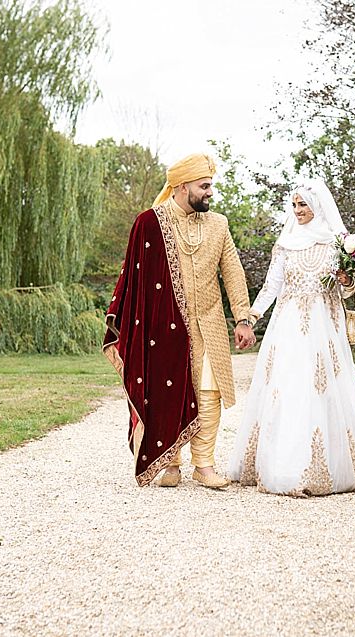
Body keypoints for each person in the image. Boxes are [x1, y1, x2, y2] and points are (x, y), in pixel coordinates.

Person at [102, 153, 257, 488]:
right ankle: (170, 463)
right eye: (204, 186)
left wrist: (243, 318)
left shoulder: (219, 224)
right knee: (164, 393)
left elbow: (233, 272)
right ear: (182, 186)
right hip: (164, 329)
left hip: (210, 323)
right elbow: (134, 280)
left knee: (209, 394)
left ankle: (204, 465)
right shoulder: (150, 222)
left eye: (211, 185)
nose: (210, 192)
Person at [223, 178, 355, 496]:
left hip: (325, 328)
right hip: (288, 327)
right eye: (294, 205)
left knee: (325, 390)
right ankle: (283, 468)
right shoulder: (286, 243)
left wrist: (347, 278)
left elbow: (347, 289)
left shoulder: (336, 244)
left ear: (317, 206)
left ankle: (331, 468)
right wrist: (251, 317)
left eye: (303, 205)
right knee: (289, 389)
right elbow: (272, 287)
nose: (297, 210)